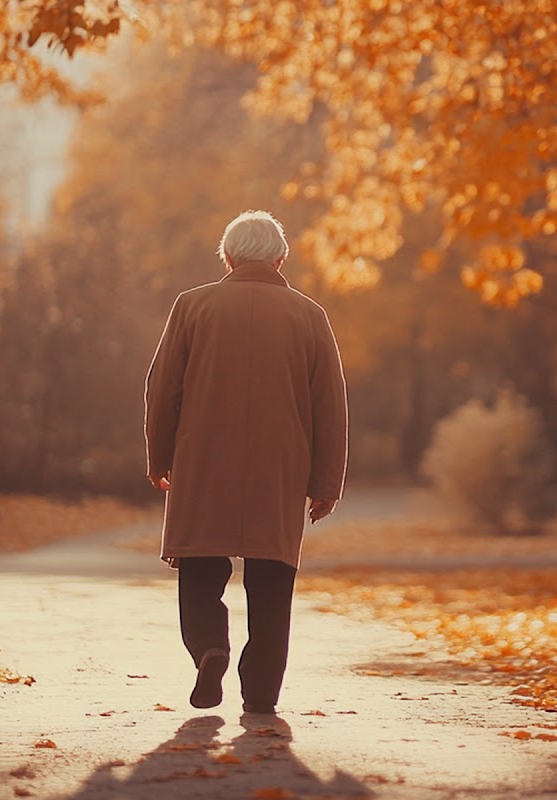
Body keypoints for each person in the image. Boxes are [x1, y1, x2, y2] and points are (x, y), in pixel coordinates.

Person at [143, 210, 348, 714]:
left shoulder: (192, 306)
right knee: (272, 583)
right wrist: (326, 482)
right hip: (279, 470)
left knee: (199, 569)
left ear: (228, 257)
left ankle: (210, 646)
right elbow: (330, 404)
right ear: (281, 258)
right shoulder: (309, 315)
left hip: (202, 462)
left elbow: (162, 388)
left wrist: (159, 456)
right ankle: (260, 694)